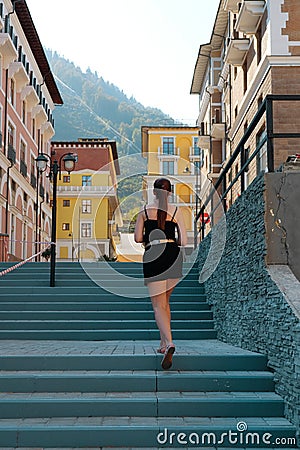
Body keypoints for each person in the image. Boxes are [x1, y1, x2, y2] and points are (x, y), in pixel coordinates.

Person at [134, 178, 187, 370]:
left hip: (153, 254)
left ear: (154, 192)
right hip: (173, 255)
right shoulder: (176, 211)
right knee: (165, 304)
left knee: (158, 306)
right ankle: (163, 344)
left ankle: (170, 343)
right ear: (170, 192)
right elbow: (183, 240)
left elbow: (138, 238)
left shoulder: (144, 211)